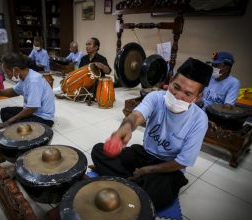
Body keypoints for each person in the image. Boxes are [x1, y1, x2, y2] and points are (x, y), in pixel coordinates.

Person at [91, 58, 213, 211]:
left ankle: (124, 182)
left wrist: (146, 170)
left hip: (168, 167)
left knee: (159, 192)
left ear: (198, 97)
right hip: (144, 154)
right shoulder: (155, 98)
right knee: (98, 150)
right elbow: (135, 117)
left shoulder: (200, 119)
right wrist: (126, 127)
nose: (178, 96)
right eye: (176, 87)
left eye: (188, 94)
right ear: (170, 81)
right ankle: (134, 187)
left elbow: (182, 162)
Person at [0, 52, 55, 127]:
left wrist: (9, 121)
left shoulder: (33, 81)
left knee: (16, 126)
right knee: (5, 111)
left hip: (43, 118)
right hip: (32, 112)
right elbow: (13, 92)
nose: (6, 76)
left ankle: (18, 125)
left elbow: (32, 109)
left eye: (6, 73)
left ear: (15, 69)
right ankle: (17, 124)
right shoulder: (24, 77)